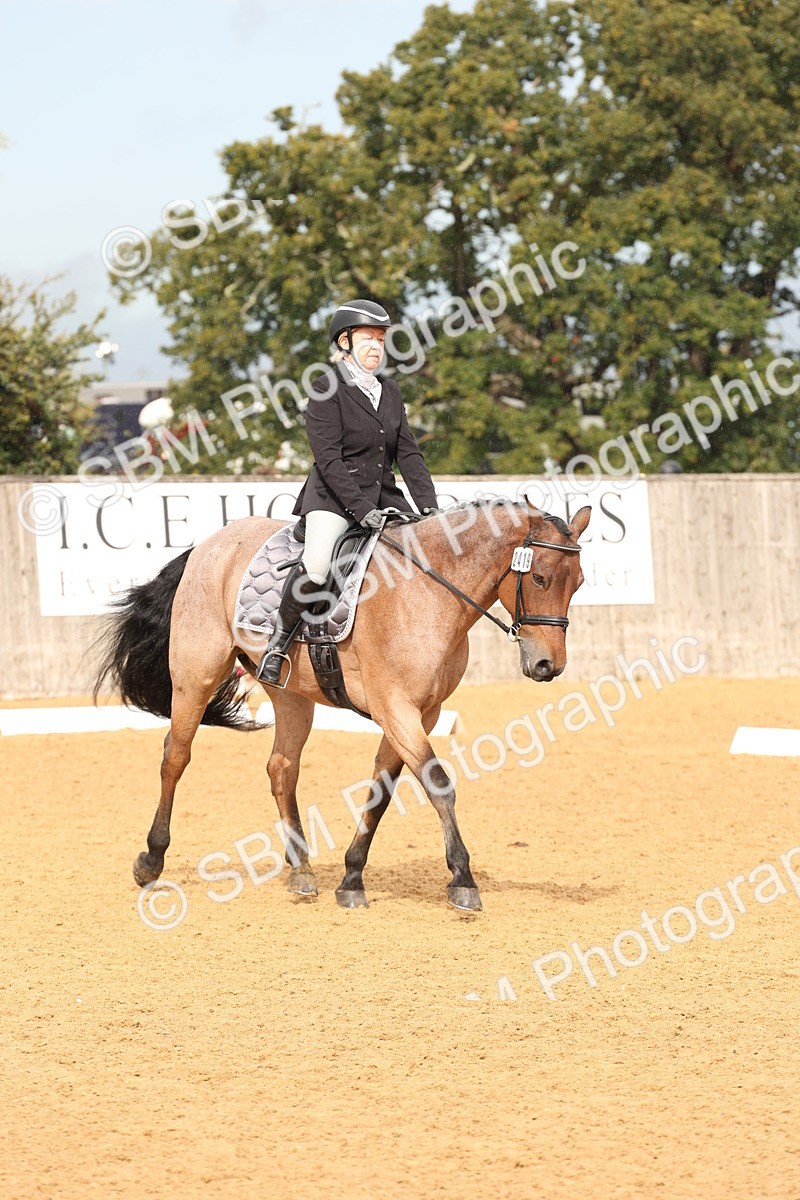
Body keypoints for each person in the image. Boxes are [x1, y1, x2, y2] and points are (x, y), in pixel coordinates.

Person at [256, 298, 439, 686]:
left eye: (381, 339)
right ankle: (277, 646)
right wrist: (359, 509)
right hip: (333, 499)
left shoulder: (390, 390)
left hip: (384, 497)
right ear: (345, 342)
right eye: (368, 338)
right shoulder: (326, 388)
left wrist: (429, 507)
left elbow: (407, 452)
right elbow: (328, 459)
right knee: (319, 562)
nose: (377, 346)